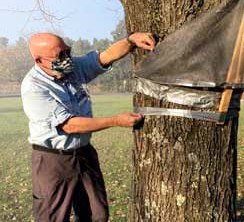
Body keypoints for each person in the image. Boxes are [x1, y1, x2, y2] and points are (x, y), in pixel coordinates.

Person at [21, 32, 156, 222]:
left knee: (96, 215)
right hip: (53, 160)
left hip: (84, 154)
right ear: (39, 60)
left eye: (68, 51)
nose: (67, 58)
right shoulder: (33, 87)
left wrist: (131, 41)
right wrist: (115, 121)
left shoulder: (73, 67)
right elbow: (69, 125)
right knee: (52, 217)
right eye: (60, 55)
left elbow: (105, 56)